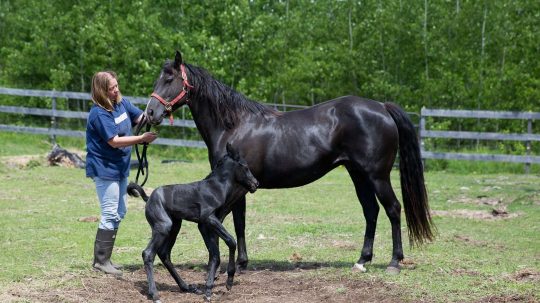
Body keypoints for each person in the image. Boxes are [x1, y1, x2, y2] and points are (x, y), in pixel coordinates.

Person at [86, 71, 157, 276]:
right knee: (109, 213)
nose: (116, 90)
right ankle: (101, 261)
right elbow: (114, 141)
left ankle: (106, 258)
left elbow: (140, 117)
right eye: (111, 88)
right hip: (105, 168)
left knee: (120, 211)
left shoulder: (121, 104)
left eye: (116, 86)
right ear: (102, 90)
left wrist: (158, 109)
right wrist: (141, 139)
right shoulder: (99, 113)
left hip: (119, 167)